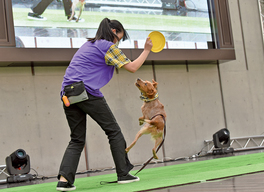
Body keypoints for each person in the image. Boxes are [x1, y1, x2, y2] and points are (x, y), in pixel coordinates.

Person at [56, 18, 153, 191]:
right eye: (120, 38)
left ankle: (64, 180)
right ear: (114, 32)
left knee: (77, 139)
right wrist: (147, 50)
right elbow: (132, 67)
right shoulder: (108, 46)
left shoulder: (88, 45)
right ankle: (123, 174)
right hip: (86, 92)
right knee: (114, 131)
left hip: (67, 93)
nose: (118, 43)